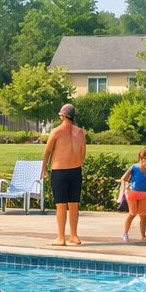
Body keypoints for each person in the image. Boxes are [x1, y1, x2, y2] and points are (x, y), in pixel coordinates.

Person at [41, 103, 87, 246]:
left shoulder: (56, 131)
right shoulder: (80, 132)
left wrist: (44, 169)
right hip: (76, 170)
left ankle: (61, 237)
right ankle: (74, 235)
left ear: (62, 116)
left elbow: (47, 152)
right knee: (74, 204)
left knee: (61, 205)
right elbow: (83, 153)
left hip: (59, 171)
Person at [119, 147, 146, 242]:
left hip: (142, 193)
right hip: (133, 192)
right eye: (145, 157)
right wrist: (126, 187)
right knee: (132, 213)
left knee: (143, 215)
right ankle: (125, 233)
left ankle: (143, 236)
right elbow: (124, 178)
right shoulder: (134, 167)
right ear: (140, 157)